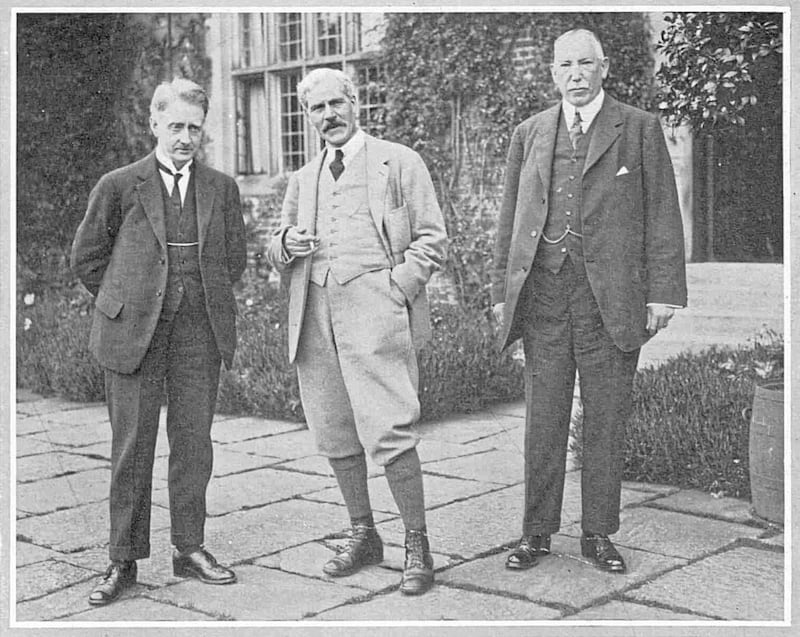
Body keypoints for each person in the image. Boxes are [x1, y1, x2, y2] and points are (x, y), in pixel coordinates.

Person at [491, 29, 687, 574]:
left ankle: (598, 533)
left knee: (605, 417)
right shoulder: (529, 133)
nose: (575, 74)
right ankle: (536, 532)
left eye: (585, 64)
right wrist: (500, 295)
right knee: (543, 417)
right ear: (552, 73)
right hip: (545, 296)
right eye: (564, 66)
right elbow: (510, 221)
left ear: (605, 68)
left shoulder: (639, 128)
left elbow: (662, 214)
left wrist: (664, 293)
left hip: (613, 299)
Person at [266, 68, 447, 595]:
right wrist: (288, 242)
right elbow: (276, 246)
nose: (329, 116)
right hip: (315, 312)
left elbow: (432, 238)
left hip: (376, 310)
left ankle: (418, 544)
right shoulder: (303, 179)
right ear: (308, 117)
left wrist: (396, 287)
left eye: (336, 104)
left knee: (390, 427)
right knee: (334, 429)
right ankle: (364, 534)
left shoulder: (399, 161)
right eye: (317, 109)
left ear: (355, 102)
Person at [71, 78, 247, 605]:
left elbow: (232, 259)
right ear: (154, 124)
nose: (185, 137)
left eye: (194, 128)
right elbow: (87, 258)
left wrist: (197, 296)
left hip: (199, 334)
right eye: (175, 126)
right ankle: (123, 560)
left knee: (194, 445)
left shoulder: (221, 188)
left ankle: (189, 548)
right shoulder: (120, 184)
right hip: (134, 337)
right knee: (132, 448)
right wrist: (127, 303)